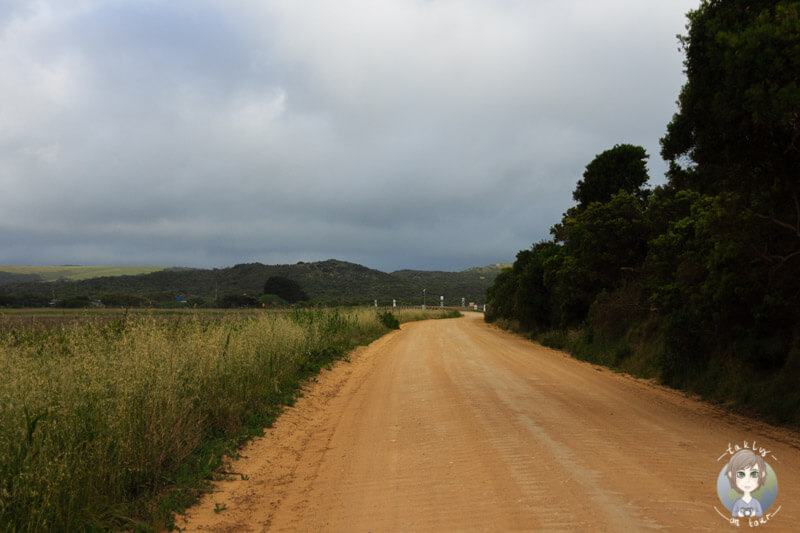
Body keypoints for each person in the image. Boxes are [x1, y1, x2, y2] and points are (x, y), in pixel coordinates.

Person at [725, 449, 767, 517]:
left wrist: (753, 513)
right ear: (731, 475)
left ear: (762, 475)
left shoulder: (755, 502)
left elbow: (760, 513)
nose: (747, 480)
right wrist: (740, 514)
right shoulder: (738, 502)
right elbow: (734, 514)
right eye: (741, 474)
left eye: (754, 474)